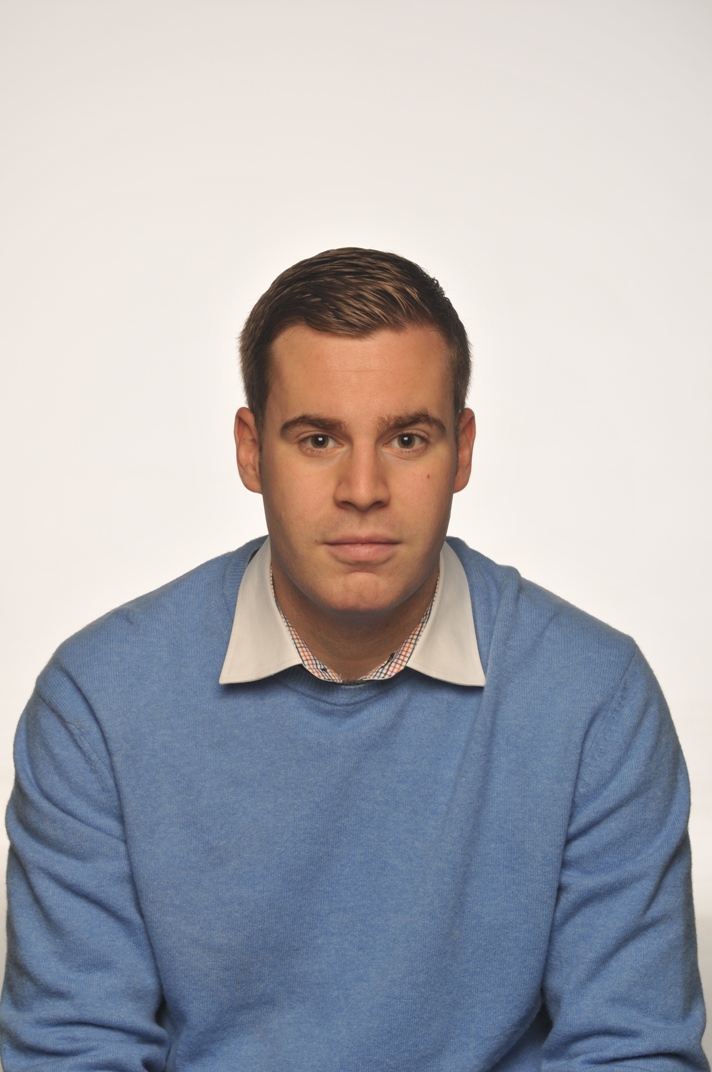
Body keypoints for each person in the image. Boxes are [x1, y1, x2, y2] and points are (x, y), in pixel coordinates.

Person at [1, 247, 708, 1071]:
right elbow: (72, 1050)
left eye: (407, 438)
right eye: (318, 439)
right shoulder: (100, 703)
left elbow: (631, 1052)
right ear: (251, 451)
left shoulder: (593, 699)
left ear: (462, 450)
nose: (363, 488)